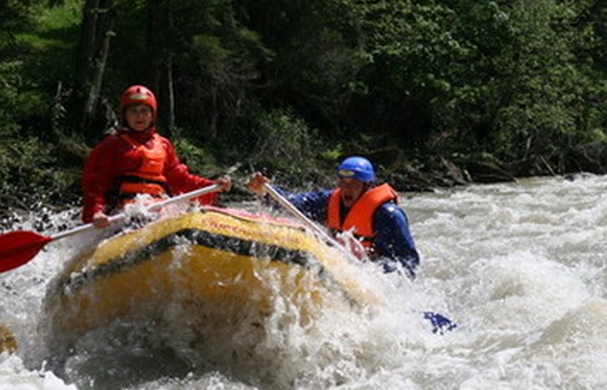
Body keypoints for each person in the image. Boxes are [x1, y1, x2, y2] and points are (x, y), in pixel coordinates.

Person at [81, 85, 232, 228]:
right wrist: (96, 211)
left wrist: (211, 186)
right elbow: (96, 183)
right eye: (133, 111)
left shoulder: (164, 145)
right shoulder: (112, 145)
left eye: (144, 111)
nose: (139, 116)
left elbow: (181, 180)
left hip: (157, 210)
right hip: (123, 214)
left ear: (152, 115)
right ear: (125, 115)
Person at [248, 156, 421, 276]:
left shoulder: (387, 215)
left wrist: (374, 272)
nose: (346, 189)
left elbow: (408, 263)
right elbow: (291, 204)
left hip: (371, 274)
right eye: (343, 183)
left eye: (353, 184)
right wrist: (265, 191)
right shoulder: (329, 200)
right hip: (339, 268)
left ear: (368, 186)